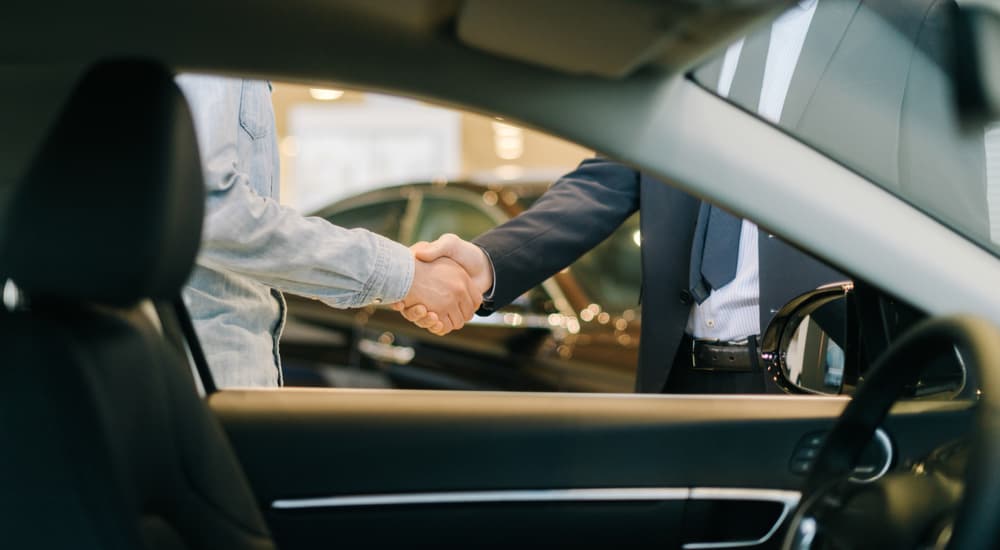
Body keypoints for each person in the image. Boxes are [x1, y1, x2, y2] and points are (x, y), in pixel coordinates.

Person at [397, 0, 987, 393]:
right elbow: (616, 171)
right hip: (679, 374)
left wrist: (953, 385)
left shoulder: (906, 18)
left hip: (821, 375)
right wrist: (489, 263)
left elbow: (947, 212)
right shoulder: (676, 23)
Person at [176, 75, 480, 388]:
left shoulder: (235, 65)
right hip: (205, 376)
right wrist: (407, 275)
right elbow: (211, 209)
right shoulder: (216, 50)